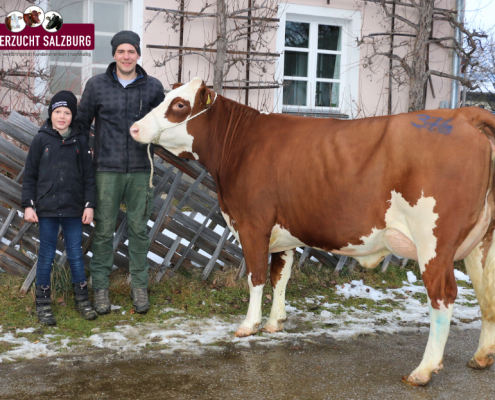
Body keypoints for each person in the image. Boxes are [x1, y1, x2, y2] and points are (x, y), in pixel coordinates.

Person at [75, 30, 165, 314]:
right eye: (121, 51)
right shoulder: (97, 85)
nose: (126, 57)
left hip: (141, 170)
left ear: (138, 54)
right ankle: (100, 288)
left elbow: (162, 125)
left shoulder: (152, 87)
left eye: (132, 51)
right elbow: (80, 123)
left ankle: (139, 288)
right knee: (103, 231)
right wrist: (82, 155)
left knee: (139, 230)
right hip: (106, 170)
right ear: (114, 54)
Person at [22, 91, 97, 326]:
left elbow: (88, 177)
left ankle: (83, 300)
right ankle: (43, 304)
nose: (62, 116)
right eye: (57, 112)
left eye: (67, 112)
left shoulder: (80, 141)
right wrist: (28, 205)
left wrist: (89, 205)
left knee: (75, 255)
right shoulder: (41, 139)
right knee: (46, 256)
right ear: (51, 114)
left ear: (72, 116)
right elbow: (30, 176)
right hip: (46, 209)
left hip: (74, 209)